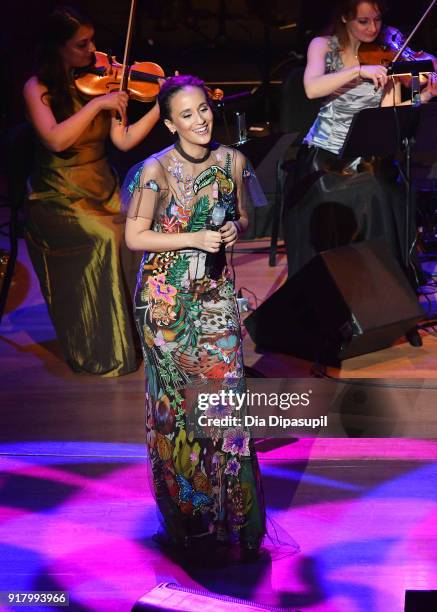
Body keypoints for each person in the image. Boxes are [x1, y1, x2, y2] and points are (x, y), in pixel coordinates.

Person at [124, 75, 266, 559]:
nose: (200, 120)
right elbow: (135, 237)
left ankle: (236, 523)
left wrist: (232, 229)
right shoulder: (154, 171)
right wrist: (192, 238)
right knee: (178, 416)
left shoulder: (234, 161)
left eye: (203, 109)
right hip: (166, 304)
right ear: (169, 123)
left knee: (227, 406)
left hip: (216, 297)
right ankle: (188, 521)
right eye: (187, 114)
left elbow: (246, 218)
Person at [23, 5, 160, 376]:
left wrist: (159, 108)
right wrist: (98, 103)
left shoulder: (100, 80)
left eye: (92, 40)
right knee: (106, 237)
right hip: (57, 196)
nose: (93, 51)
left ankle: (144, 339)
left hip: (103, 187)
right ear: (58, 47)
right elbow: (54, 140)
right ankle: (105, 349)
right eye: (82, 44)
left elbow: (124, 139)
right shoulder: (37, 88)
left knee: (142, 230)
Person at [283, 0, 437, 280]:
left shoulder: (387, 52)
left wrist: (423, 95)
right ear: (344, 17)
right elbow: (311, 88)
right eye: (363, 21)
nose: (373, 28)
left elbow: (394, 109)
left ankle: (381, 279)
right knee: (364, 191)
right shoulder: (323, 45)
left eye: (377, 20)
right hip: (326, 153)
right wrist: (356, 71)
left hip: (367, 151)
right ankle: (340, 276)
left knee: (384, 190)